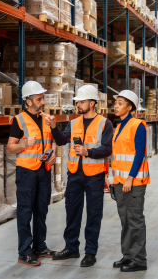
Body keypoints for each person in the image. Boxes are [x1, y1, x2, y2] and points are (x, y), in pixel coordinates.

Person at [44, 85, 113, 267]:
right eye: (78, 102)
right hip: (74, 174)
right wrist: (53, 128)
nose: (78, 105)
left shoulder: (105, 123)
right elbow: (61, 141)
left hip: (94, 176)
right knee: (72, 212)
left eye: (81, 101)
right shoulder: (73, 123)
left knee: (93, 214)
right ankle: (71, 247)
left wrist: (87, 151)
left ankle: (90, 252)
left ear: (92, 103)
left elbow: (107, 149)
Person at [7, 81, 56, 267]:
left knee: (41, 210)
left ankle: (40, 246)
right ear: (28, 101)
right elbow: (10, 147)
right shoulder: (19, 120)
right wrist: (24, 144)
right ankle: (24, 252)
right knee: (25, 211)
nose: (43, 102)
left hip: (44, 171)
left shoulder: (46, 119)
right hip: (27, 172)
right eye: (39, 99)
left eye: (43, 98)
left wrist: (52, 157)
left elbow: (51, 143)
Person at [111, 90, 150, 272]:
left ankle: (139, 260)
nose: (116, 106)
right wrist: (113, 179)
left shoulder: (137, 125)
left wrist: (130, 178)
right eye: (116, 103)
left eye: (120, 103)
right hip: (120, 182)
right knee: (125, 220)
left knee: (134, 219)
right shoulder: (119, 127)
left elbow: (139, 155)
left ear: (130, 107)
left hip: (133, 183)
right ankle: (128, 256)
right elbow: (117, 157)